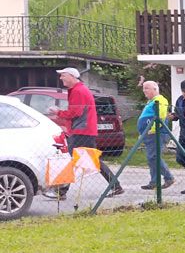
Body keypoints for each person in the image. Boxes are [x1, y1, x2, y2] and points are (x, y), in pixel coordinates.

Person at [51, 66, 123, 196]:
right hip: (84, 130)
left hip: (81, 131)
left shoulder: (78, 91)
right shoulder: (79, 89)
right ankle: (116, 186)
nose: (61, 78)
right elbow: (77, 112)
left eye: (63, 75)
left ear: (72, 76)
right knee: (90, 160)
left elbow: (75, 112)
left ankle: (60, 191)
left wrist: (59, 112)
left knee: (72, 159)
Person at [137, 80, 175, 190]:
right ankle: (154, 181)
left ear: (155, 89)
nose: (144, 91)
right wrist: (143, 133)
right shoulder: (151, 101)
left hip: (157, 133)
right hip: (150, 134)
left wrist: (153, 129)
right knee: (152, 158)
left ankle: (168, 177)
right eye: (143, 88)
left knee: (153, 157)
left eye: (146, 88)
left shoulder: (160, 100)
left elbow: (160, 117)